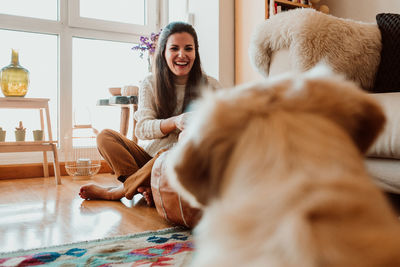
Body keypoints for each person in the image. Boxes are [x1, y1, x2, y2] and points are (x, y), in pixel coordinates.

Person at [79, 21, 222, 205]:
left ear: (196, 52)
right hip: (149, 162)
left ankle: (115, 193)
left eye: (189, 48)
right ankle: (146, 187)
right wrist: (174, 121)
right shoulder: (150, 83)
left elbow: (225, 129)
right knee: (105, 137)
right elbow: (142, 130)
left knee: (170, 152)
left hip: (184, 164)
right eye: (174, 48)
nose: (182, 55)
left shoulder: (211, 85)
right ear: (163, 52)